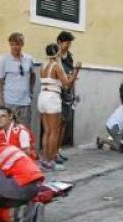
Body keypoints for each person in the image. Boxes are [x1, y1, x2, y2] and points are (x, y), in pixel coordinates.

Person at [38, 43, 80, 171]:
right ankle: (51, 161)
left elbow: (53, 79)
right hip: (52, 98)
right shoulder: (56, 66)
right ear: (57, 53)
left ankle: (45, 160)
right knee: (54, 132)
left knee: (46, 131)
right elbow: (67, 85)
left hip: (42, 97)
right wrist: (76, 70)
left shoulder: (43, 65)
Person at [0, 32, 36, 128]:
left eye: (17, 44)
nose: (15, 47)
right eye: (12, 44)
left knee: (24, 132)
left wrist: (30, 91)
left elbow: (33, 75)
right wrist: (1, 103)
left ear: (22, 44)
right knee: (8, 132)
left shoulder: (29, 59)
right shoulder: (4, 60)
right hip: (9, 103)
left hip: (25, 103)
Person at [56, 31, 79, 163]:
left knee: (64, 122)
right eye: (67, 42)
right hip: (58, 92)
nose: (68, 45)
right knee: (57, 124)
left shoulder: (69, 56)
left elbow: (71, 73)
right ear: (59, 41)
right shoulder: (56, 56)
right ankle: (53, 153)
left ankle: (58, 150)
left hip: (68, 93)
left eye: (70, 43)